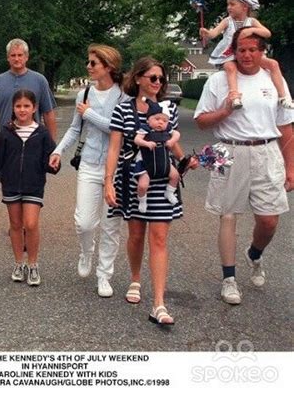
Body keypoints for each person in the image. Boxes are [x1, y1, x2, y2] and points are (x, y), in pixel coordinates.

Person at [194, 28, 293, 305]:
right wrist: (225, 110)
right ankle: (229, 279)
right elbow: (201, 121)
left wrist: (291, 167)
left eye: (253, 50)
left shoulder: (273, 79)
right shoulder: (218, 81)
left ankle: (255, 253)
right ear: (233, 52)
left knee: (269, 219)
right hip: (230, 150)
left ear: (262, 52)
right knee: (228, 215)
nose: (247, 55)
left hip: (266, 151)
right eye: (241, 50)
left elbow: (285, 125)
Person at [105, 57, 197, 325]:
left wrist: (188, 160)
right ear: (138, 79)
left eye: (161, 79)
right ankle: (135, 279)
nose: (158, 83)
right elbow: (114, 148)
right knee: (135, 235)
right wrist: (108, 181)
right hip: (134, 176)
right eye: (153, 78)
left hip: (161, 178)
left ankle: (159, 303)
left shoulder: (169, 109)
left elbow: (171, 142)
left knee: (158, 239)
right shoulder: (122, 110)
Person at [49, 44, 129, 298]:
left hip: (117, 169)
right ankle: (86, 251)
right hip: (89, 165)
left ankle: (104, 274)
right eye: (89, 62)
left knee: (110, 225)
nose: (88, 66)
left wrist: (91, 115)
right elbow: (75, 128)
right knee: (84, 223)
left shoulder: (124, 96)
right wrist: (58, 150)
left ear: (109, 66)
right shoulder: (83, 95)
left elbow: (121, 130)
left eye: (93, 63)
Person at [0, 89, 59, 286]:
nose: (22, 110)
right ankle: (19, 263)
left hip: (34, 185)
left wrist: (53, 164)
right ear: (13, 108)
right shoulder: (6, 133)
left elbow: (50, 158)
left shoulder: (42, 132)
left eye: (27, 106)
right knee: (16, 225)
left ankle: (33, 264)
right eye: (18, 106)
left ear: (34, 108)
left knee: (31, 224)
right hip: (11, 185)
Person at [200, 0, 293, 110]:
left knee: (273, 64)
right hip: (231, 53)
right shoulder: (227, 21)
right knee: (230, 67)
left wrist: (252, 30)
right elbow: (214, 33)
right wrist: (207, 33)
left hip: (249, 54)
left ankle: (283, 97)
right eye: (228, 4)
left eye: (232, 4)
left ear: (245, 7)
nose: (229, 7)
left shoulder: (252, 21)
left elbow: (267, 33)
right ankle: (234, 95)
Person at [0, 38, 57, 152]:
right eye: (13, 55)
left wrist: (52, 144)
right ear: (8, 58)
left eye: (20, 55)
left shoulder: (40, 80)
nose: (16, 58)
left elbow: (48, 113)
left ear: (26, 57)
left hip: (34, 142)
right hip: (5, 143)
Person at [133, 98, 181, 213]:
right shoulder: (145, 129)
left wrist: (172, 141)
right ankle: (142, 200)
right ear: (148, 120)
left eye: (164, 121)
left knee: (175, 176)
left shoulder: (167, 130)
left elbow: (177, 133)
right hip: (145, 162)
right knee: (143, 185)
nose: (160, 122)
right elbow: (137, 140)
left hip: (164, 160)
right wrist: (146, 143)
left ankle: (169, 192)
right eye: (157, 119)